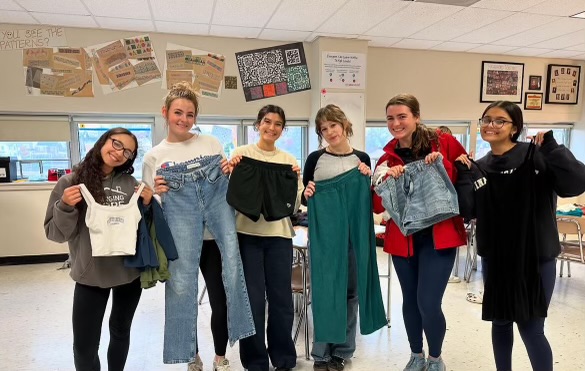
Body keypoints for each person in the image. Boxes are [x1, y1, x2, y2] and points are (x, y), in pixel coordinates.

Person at [454, 101, 585, 371]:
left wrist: (553, 147)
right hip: (497, 259)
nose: (491, 125)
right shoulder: (479, 167)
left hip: (536, 257)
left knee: (531, 327)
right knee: (501, 323)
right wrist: (463, 176)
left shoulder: (536, 154)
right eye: (486, 119)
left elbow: (576, 183)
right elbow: (468, 210)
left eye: (499, 120)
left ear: (515, 127)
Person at [142, 82, 254, 371]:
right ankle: (190, 355)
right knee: (182, 289)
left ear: (196, 117)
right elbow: (147, 201)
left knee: (223, 291)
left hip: (213, 233)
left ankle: (220, 356)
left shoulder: (211, 144)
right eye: (178, 112)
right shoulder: (154, 156)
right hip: (179, 218)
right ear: (165, 113)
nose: (184, 119)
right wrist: (156, 190)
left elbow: (229, 188)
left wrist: (229, 171)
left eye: (190, 114)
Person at [44, 127, 154, 371]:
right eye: (116, 144)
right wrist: (64, 206)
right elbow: (55, 234)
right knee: (84, 346)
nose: (119, 153)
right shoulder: (70, 182)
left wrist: (148, 204)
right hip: (90, 276)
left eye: (127, 152)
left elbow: (142, 230)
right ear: (103, 141)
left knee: (120, 331)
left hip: (128, 274)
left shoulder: (130, 184)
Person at [372, 94, 467, 371]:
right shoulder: (387, 156)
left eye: (402, 116)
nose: (396, 123)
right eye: (390, 118)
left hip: (440, 237)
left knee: (428, 301)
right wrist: (388, 180)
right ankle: (416, 355)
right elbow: (378, 205)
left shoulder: (443, 142)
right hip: (404, 239)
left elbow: (462, 178)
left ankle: (436, 358)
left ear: (416, 116)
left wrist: (441, 165)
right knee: (411, 300)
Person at [303, 104, 385, 371]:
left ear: (344, 124)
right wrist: (308, 190)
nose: (329, 132)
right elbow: (306, 193)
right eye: (323, 129)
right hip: (325, 232)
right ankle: (321, 353)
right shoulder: (315, 159)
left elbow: (368, 195)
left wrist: (367, 177)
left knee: (351, 293)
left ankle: (342, 351)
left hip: (354, 233)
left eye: (332, 126)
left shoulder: (361, 158)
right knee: (325, 289)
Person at [229, 104, 303, 371]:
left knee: (282, 298)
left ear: (283, 130)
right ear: (258, 124)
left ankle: (283, 357)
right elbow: (230, 195)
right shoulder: (240, 154)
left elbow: (293, 206)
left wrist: (296, 181)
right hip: (247, 235)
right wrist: (232, 171)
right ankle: (255, 360)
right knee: (253, 300)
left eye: (278, 124)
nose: (272, 128)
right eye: (267, 122)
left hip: (280, 237)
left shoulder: (288, 161)